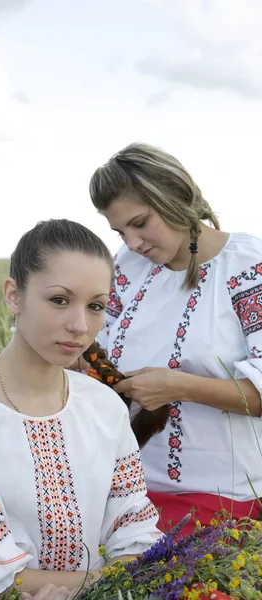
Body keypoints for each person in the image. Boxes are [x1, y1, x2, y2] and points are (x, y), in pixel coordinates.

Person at [0, 219, 160, 600]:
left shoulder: (104, 405)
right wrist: (112, 583)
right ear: (14, 295)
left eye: (95, 306)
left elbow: (134, 529)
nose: (79, 325)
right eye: (59, 300)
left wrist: (128, 577)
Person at [87, 143, 262, 535]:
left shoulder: (249, 266)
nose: (132, 242)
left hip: (221, 495)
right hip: (126, 487)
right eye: (120, 231)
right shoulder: (127, 266)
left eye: (140, 222)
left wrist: (178, 387)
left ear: (176, 197)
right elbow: (94, 341)